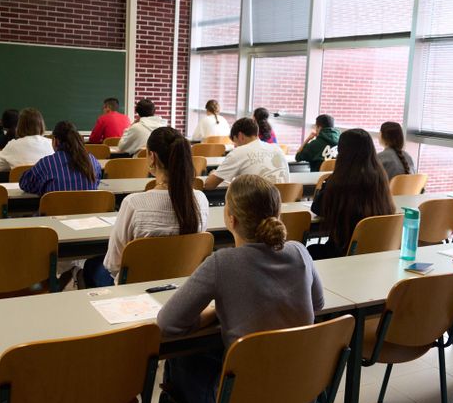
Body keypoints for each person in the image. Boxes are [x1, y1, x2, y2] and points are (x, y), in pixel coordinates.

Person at [157, 174, 324, 403]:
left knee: (178, 360)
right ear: (278, 214)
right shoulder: (300, 252)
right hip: (301, 398)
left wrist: (216, 313)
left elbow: (167, 324)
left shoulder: (221, 263)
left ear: (230, 219)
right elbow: (318, 304)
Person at [83, 127, 210, 287]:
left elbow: (113, 264)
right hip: (181, 287)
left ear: (152, 157)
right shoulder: (200, 199)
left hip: (135, 290)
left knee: (91, 266)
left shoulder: (134, 204)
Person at [309, 129, 395, 259]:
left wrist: (327, 183)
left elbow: (317, 208)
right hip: (374, 253)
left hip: (343, 252)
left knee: (310, 251)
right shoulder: (380, 177)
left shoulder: (340, 181)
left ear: (342, 152)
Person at [19, 121, 102, 195]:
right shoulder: (93, 161)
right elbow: (97, 181)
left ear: (55, 141)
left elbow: (25, 183)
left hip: (56, 208)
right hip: (87, 208)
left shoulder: (47, 163)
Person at [203, 117, 290, 189]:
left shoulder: (238, 153)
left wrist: (213, 174)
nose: (235, 146)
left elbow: (209, 185)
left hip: (256, 202)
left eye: (235, 142)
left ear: (240, 136)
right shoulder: (277, 149)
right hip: (282, 201)